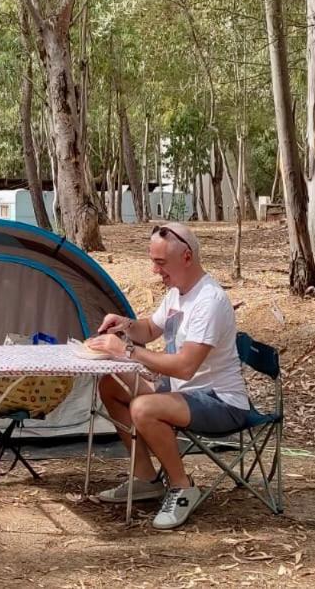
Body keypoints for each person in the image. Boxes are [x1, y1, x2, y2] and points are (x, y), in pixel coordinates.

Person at [86, 221, 250, 530]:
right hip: (184, 394)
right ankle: (147, 478)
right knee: (111, 384)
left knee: (143, 408)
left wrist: (126, 351)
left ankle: (182, 486)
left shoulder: (209, 301)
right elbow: (149, 329)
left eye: (160, 262)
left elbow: (185, 366)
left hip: (221, 402)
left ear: (186, 257)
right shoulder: (178, 292)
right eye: (153, 261)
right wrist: (124, 325)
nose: (153, 270)